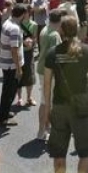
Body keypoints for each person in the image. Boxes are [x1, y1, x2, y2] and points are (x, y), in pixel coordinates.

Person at [43, 15, 88, 173]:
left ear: (61, 30)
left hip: (59, 106)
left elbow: (47, 85)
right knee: (86, 151)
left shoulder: (53, 53)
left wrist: (47, 109)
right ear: (77, 30)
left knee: (59, 153)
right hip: (81, 105)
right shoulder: (87, 51)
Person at [35, 9, 62, 142]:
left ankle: (44, 129)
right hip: (49, 72)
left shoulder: (44, 30)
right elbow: (56, 56)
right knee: (47, 102)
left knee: (44, 101)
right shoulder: (55, 35)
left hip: (42, 68)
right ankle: (44, 129)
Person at [0, 3, 24, 127]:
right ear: (23, 14)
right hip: (11, 65)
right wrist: (18, 69)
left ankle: (5, 112)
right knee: (9, 92)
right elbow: (14, 50)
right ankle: (3, 118)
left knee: (8, 90)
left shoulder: (8, 22)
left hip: (6, 62)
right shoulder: (14, 28)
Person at [16, 6, 38, 107]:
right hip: (19, 51)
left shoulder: (34, 25)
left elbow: (34, 38)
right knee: (18, 75)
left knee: (29, 74)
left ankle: (29, 97)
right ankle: (19, 98)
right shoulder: (17, 24)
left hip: (28, 52)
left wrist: (32, 43)